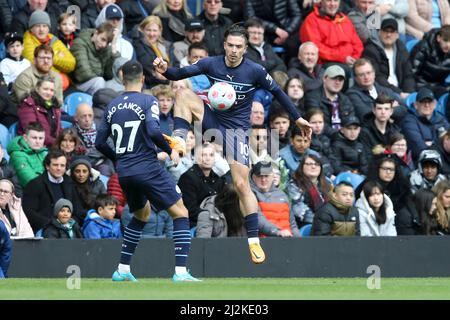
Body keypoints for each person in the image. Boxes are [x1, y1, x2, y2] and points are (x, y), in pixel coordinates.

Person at [153, 24, 312, 264]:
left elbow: (279, 92)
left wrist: (297, 117)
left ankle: (253, 241)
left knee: (241, 183)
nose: (234, 50)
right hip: (213, 121)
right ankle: (179, 138)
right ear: (224, 45)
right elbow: (178, 75)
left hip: (236, 133)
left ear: (246, 48)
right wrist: (165, 70)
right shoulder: (211, 63)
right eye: (230, 45)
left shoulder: (255, 71)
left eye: (239, 47)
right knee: (183, 94)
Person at [95, 60, 201, 282]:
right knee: (181, 213)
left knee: (141, 215)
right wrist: (170, 148)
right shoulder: (148, 100)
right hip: (147, 167)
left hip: (124, 171)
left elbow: (99, 143)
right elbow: (153, 131)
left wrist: (119, 157)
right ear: (143, 79)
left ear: (122, 78)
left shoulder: (111, 105)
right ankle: (181, 272)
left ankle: (122, 269)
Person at [22, 149, 83, 233]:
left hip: (67, 228)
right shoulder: (35, 184)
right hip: (44, 229)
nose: (59, 168)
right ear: (47, 166)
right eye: (55, 165)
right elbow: (28, 212)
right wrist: (51, 224)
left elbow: (77, 210)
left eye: (62, 165)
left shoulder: (69, 182)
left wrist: (71, 223)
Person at [300, 0, 363, 67]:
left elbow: (357, 44)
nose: (332, 4)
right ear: (321, 1)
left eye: (336, 1)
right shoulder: (311, 20)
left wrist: (355, 58)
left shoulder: (344, 19)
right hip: (325, 64)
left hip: (350, 61)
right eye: (329, 1)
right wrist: (342, 58)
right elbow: (316, 48)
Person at [362, 18, 416, 96]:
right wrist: (399, 92)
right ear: (379, 32)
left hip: (400, 90)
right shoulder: (371, 50)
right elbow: (377, 77)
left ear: (397, 35)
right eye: (386, 31)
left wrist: (409, 93)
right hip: (382, 91)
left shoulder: (401, 47)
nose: (388, 35)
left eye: (392, 31)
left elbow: (408, 74)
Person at [178, 143, 225, 227]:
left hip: (216, 224)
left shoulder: (218, 179)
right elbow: (190, 210)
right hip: (195, 225)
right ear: (196, 158)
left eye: (211, 155)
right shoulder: (187, 178)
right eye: (204, 155)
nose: (208, 158)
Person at [22, 10, 76, 84]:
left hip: (58, 83)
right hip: (40, 83)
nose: (41, 29)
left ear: (48, 28)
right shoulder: (27, 41)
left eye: (44, 26)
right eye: (37, 26)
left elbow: (72, 64)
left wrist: (53, 59)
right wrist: (56, 57)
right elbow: (36, 64)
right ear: (31, 28)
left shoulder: (53, 39)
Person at [249, 161, 300, 237]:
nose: (263, 180)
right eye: (259, 176)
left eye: (266, 176)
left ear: (272, 177)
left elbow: (292, 223)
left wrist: (299, 241)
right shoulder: (250, 195)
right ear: (253, 177)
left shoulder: (282, 195)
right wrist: (277, 232)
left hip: (287, 240)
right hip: (263, 242)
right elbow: (257, 220)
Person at [70, 22, 121, 95]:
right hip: (77, 85)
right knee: (99, 82)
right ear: (96, 33)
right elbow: (83, 74)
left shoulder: (105, 49)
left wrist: (113, 46)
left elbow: (111, 74)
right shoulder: (79, 43)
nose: (104, 45)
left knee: (116, 85)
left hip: (96, 84)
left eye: (107, 42)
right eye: (103, 39)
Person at [401, 87, 450, 161]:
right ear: (416, 105)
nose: (427, 105)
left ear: (434, 104)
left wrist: (431, 144)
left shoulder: (441, 119)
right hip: (420, 163)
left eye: (429, 102)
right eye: (423, 102)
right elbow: (419, 149)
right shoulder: (409, 121)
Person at [286, 153, 332, 228]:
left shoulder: (328, 182)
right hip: (306, 225)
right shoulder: (294, 184)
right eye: (309, 164)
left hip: (327, 223)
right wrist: (321, 221)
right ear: (302, 167)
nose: (313, 166)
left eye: (317, 164)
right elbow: (298, 209)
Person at [304, 65, 355, 131]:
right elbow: (318, 125)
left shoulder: (345, 100)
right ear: (324, 78)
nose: (337, 82)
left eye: (340, 79)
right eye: (334, 78)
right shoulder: (312, 97)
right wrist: (339, 135)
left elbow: (351, 121)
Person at [17, 76, 62, 147]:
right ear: (37, 89)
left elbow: (59, 131)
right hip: (33, 148)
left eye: (51, 90)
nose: (48, 93)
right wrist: (59, 144)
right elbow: (33, 133)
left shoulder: (54, 106)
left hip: (53, 146)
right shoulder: (28, 105)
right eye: (45, 89)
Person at [131, 15, 172, 89]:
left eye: (155, 30)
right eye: (148, 30)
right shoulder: (138, 45)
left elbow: (175, 63)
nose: (151, 34)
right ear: (142, 30)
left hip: (169, 81)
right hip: (151, 84)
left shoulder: (166, 45)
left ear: (160, 31)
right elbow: (146, 65)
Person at [74, 102, 114, 176]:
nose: (87, 119)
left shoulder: (100, 130)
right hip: (83, 167)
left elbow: (111, 147)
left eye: (90, 116)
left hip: (103, 164)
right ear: (76, 118)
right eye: (83, 116)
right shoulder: (72, 133)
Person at [410, 25, 450, 97]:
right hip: (420, 85)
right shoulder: (424, 46)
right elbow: (411, 72)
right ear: (438, 38)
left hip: (439, 86)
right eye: (445, 40)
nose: (448, 45)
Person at [7, 122, 48, 188]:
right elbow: (30, 182)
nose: (38, 141)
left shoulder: (43, 152)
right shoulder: (17, 155)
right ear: (25, 138)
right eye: (34, 138)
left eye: (40, 138)